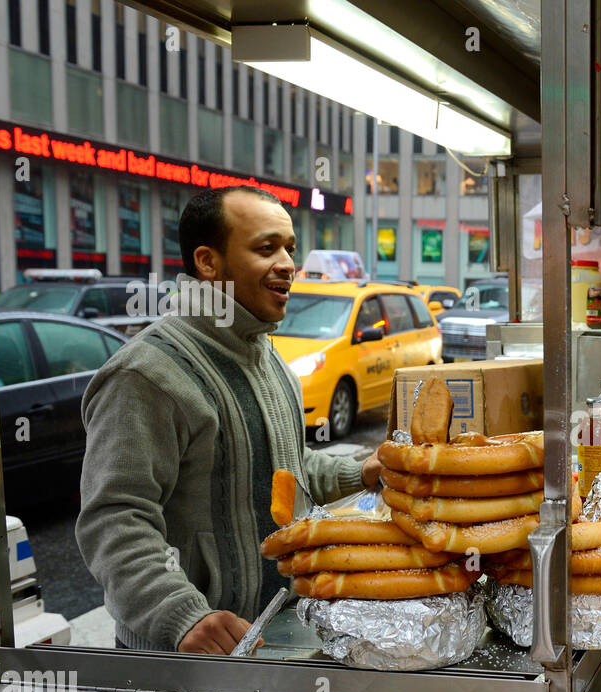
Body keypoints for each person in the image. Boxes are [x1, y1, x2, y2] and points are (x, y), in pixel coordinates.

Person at [77, 186, 383, 654]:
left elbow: (284, 472)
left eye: (289, 248)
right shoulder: (144, 374)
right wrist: (180, 615)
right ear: (207, 262)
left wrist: (361, 472)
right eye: (266, 248)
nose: (287, 264)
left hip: (271, 641)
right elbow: (115, 519)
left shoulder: (269, 358)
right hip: (179, 658)